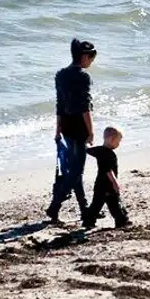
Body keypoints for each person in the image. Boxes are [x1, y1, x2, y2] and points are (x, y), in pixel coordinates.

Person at [46, 38, 97, 224]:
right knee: (76, 170)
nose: (92, 60)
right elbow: (85, 107)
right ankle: (55, 205)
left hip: (66, 126)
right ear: (83, 56)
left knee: (75, 169)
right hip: (79, 127)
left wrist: (58, 128)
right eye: (91, 56)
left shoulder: (60, 75)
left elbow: (59, 104)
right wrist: (91, 131)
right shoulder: (83, 77)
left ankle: (85, 210)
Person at [83, 125, 130, 230]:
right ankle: (121, 220)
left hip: (99, 184)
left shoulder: (99, 150)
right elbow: (108, 170)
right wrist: (115, 183)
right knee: (111, 204)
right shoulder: (109, 154)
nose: (118, 144)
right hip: (108, 184)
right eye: (118, 141)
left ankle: (88, 221)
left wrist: (87, 142)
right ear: (111, 139)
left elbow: (88, 149)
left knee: (99, 204)